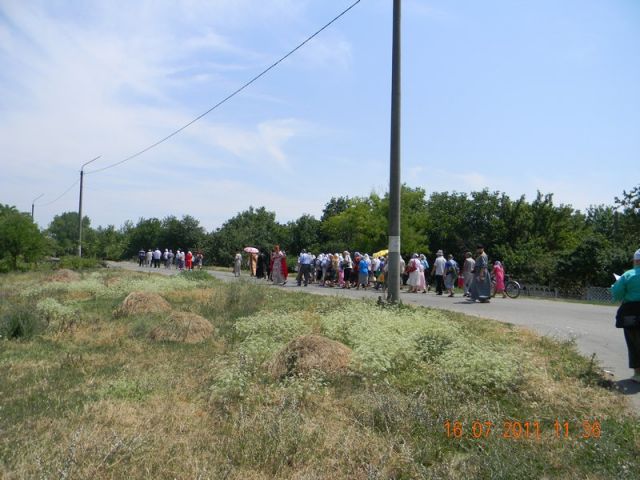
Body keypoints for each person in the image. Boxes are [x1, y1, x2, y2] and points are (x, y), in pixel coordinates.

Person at [611, 248, 640, 383]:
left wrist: (615, 285)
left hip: (632, 312)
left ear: (635, 260)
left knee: (633, 342)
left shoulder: (628, 275)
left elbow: (617, 294)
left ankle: (638, 374)